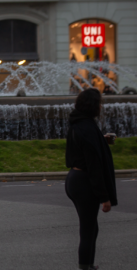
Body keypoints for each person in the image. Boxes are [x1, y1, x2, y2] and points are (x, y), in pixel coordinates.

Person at [65, 88, 117, 270]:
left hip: (73, 178)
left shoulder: (77, 123)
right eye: (100, 103)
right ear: (93, 106)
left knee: (91, 228)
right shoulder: (87, 128)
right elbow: (94, 168)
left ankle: (88, 264)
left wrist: (100, 140)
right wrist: (105, 198)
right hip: (84, 182)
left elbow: (80, 148)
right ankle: (85, 267)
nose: (101, 106)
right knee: (88, 230)